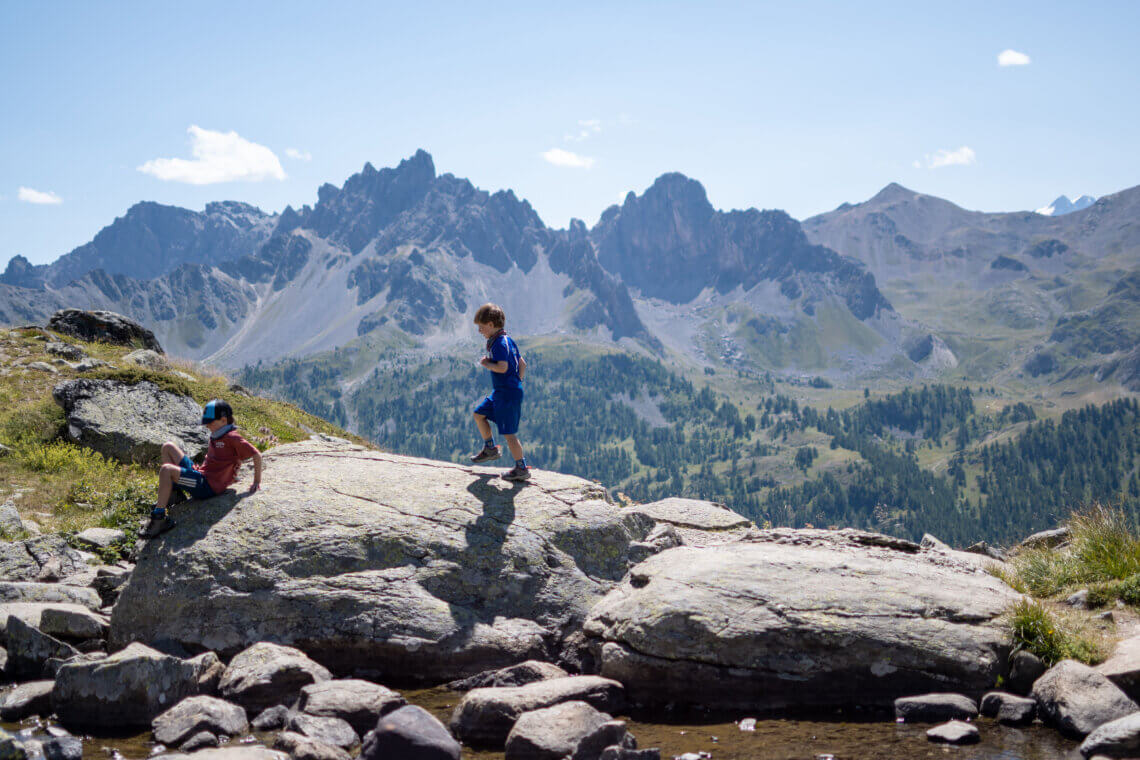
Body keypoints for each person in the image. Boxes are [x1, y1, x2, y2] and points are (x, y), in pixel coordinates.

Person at [140, 398, 262, 537]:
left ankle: (159, 518)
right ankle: (174, 495)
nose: (207, 426)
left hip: (207, 486)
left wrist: (256, 482)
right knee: (168, 447)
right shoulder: (217, 434)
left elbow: (257, 455)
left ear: (223, 420)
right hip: (202, 475)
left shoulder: (232, 437)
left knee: (167, 470)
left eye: (210, 422)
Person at [469, 303, 530, 481]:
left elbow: (502, 368)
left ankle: (521, 468)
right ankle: (491, 449)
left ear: (490, 324)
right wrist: (518, 381)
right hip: (504, 391)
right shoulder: (508, 340)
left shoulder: (498, 345)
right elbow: (522, 364)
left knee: (509, 433)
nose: (480, 331)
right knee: (479, 414)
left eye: (481, 327)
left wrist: (487, 363)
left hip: (506, 394)